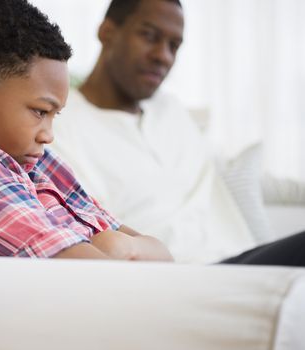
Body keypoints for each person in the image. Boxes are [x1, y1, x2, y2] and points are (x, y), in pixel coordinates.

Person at [0, 0, 305, 266]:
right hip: (164, 294)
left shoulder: (34, 157)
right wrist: (119, 247)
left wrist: (117, 245)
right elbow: (94, 275)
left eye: (54, 115)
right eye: (40, 112)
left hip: (173, 280)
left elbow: (152, 250)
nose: (50, 133)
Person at [48, 0, 296, 263]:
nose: (163, 56)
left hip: (248, 260)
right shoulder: (60, 126)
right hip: (187, 276)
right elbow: (88, 229)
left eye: (173, 46)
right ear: (107, 32)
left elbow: (229, 170)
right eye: (149, 36)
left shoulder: (171, 110)